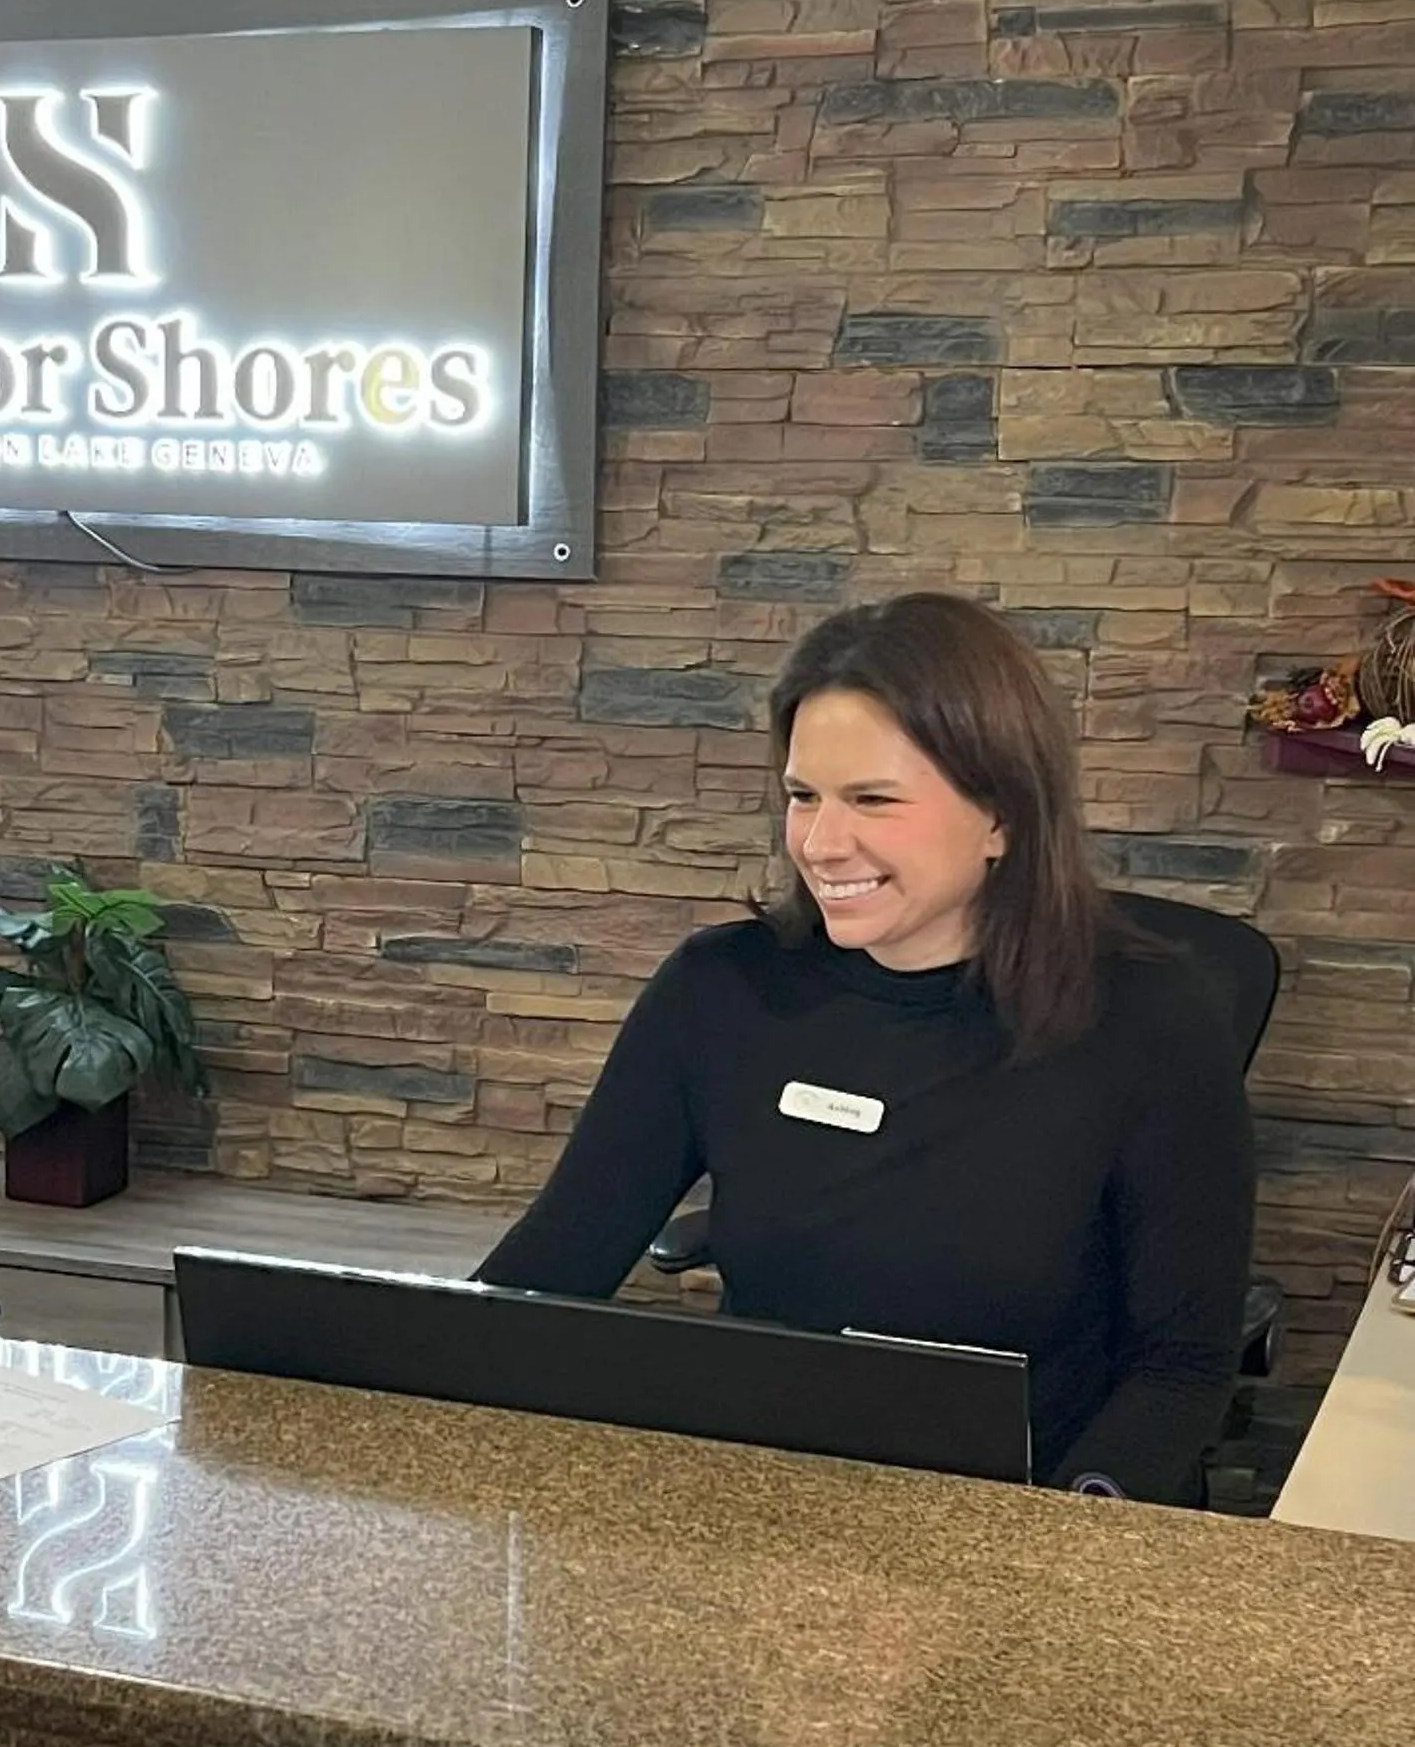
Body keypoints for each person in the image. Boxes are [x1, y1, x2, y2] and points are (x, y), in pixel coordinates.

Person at [479, 592, 1253, 1505]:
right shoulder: (721, 990)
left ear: (1000, 814)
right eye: (803, 795)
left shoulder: (1151, 1022)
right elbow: (544, 1279)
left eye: (873, 800)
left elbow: (1180, 1369)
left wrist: (1063, 1541)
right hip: (766, 1511)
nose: (821, 841)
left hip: (1021, 1526)